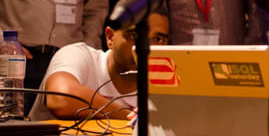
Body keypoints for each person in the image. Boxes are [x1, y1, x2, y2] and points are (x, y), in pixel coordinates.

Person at [28, 7, 169, 121]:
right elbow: (61, 98)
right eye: (133, 36)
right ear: (110, 37)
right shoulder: (78, 54)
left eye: (157, 39)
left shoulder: (168, 85)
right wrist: (132, 118)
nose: (145, 47)